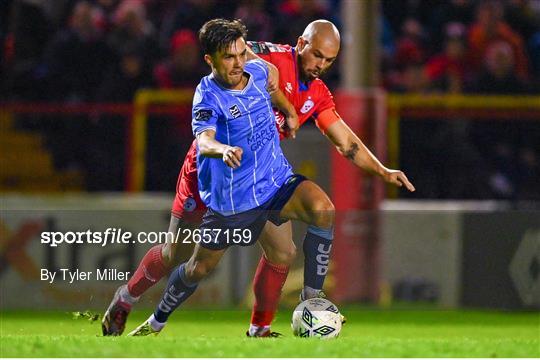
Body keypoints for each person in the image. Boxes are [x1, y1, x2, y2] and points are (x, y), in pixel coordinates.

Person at [102, 19, 415, 337]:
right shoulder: (272, 60)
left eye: (329, 60)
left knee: (291, 243)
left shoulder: (317, 93)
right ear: (301, 44)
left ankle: (276, 321)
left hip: (265, 178)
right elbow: (239, 52)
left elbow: (346, 143)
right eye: (316, 55)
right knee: (181, 257)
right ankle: (127, 299)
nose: (320, 65)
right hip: (211, 175)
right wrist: (258, 68)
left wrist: (383, 170)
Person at [125, 18, 343, 337]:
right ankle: (150, 317)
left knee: (303, 229)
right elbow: (203, 140)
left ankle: (286, 315)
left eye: (243, 54)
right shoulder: (208, 94)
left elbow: (273, 84)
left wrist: (291, 112)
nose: (240, 62)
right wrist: (223, 149)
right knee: (193, 263)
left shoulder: (258, 71)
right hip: (225, 187)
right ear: (210, 61)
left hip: (269, 180)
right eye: (231, 56)